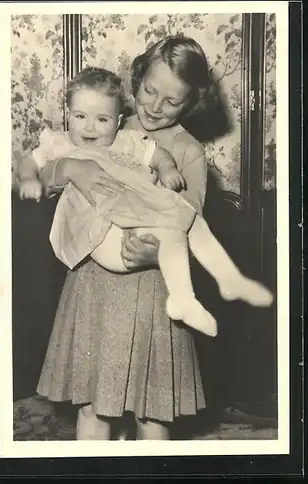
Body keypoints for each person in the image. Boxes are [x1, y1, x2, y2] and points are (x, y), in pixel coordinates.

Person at [33, 36, 271, 440]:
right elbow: (43, 175)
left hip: (157, 294)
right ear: (136, 80)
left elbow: (190, 224)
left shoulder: (188, 151)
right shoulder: (103, 122)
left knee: (153, 410)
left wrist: (154, 251)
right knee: (93, 405)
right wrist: (71, 168)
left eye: (172, 101)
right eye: (149, 91)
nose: (156, 106)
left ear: (191, 103)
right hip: (95, 283)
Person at [18, 67, 272, 336]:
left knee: (188, 220)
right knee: (169, 230)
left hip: (135, 218)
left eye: (101, 119)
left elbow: (157, 154)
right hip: (100, 232)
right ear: (68, 114)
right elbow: (31, 163)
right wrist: (28, 179)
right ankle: (188, 296)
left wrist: (167, 169)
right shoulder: (61, 143)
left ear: (117, 121)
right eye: (80, 116)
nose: (89, 127)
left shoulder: (126, 141)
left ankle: (220, 282)